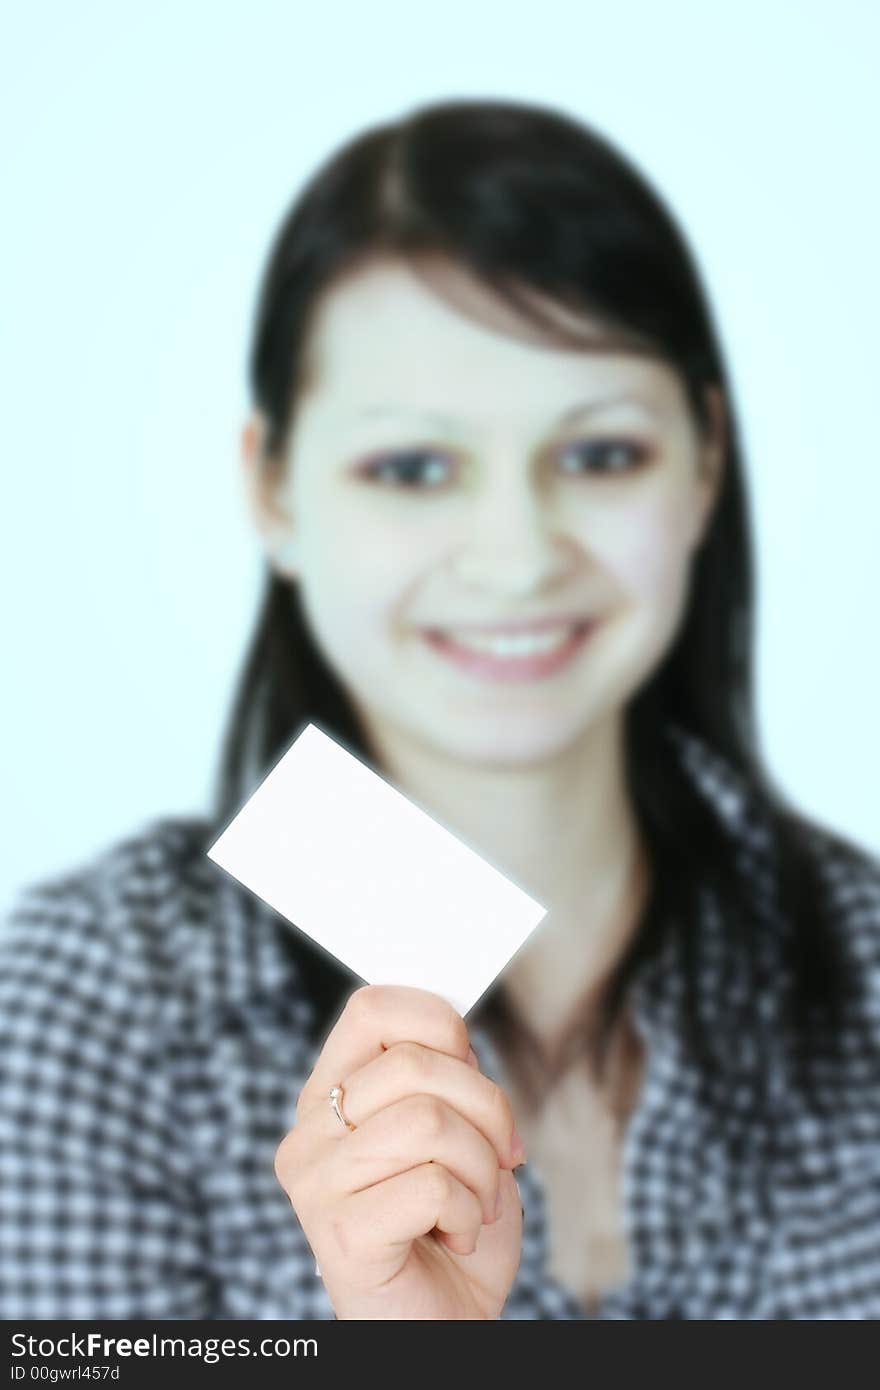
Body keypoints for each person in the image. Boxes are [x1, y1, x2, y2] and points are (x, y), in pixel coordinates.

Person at [1, 96, 879, 1322]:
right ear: (271, 488)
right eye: (412, 467)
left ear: (705, 463)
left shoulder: (867, 960)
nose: (516, 556)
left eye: (599, 454)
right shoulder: (93, 1000)